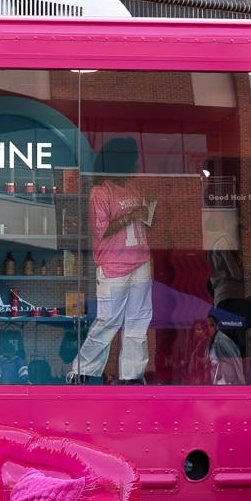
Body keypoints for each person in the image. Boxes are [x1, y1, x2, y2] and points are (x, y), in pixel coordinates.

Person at [69, 138, 156, 384]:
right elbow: (100, 230)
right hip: (113, 266)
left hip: (140, 262)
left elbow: (146, 222)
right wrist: (131, 215)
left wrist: (149, 207)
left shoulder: (132, 190)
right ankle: (82, 370)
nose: (137, 163)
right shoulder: (100, 192)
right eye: (134, 159)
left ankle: (132, 375)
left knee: (138, 321)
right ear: (122, 161)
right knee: (108, 320)